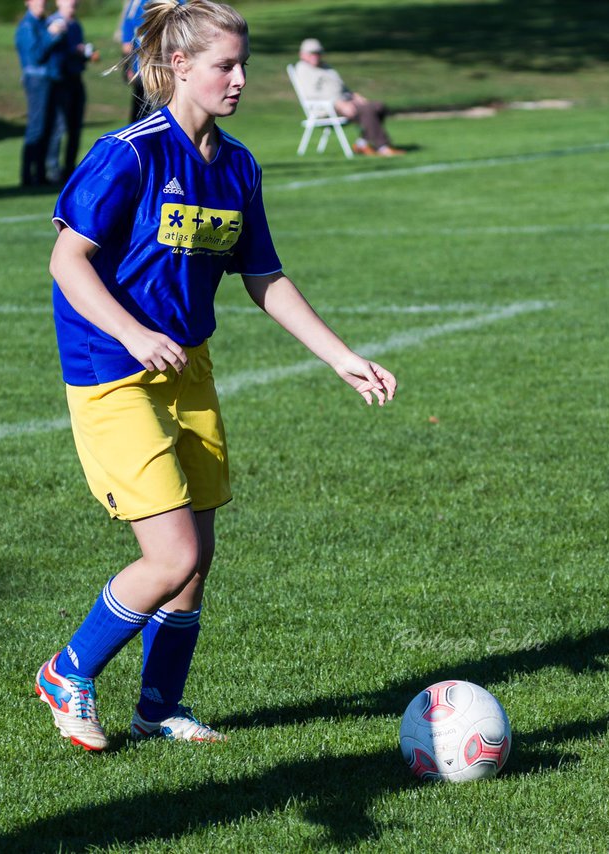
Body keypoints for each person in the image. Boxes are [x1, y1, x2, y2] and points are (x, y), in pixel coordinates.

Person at [36, 0, 396, 751]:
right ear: (176, 68)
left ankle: (158, 708)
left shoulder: (236, 165)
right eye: (223, 66)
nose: (238, 80)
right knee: (172, 557)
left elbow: (263, 275)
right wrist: (133, 334)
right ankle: (66, 671)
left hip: (189, 368)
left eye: (243, 65)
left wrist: (342, 356)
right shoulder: (129, 154)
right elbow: (67, 260)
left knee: (196, 563)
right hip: (113, 371)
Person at [293, 38, 402, 157]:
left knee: (378, 106)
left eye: (318, 53)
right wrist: (337, 103)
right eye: (312, 53)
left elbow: (341, 87)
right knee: (367, 110)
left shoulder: (326, 67)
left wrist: (354, 95)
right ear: (302, 54)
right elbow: (310, 95)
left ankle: (362, 144)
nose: (316, 56)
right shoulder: (303, 69)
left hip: (345, 102)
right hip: (326, 109)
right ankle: (383, 147)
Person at [15, 0, 66, 187]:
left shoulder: (43, 23)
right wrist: (51, 35)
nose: (42, 3)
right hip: (37, 82)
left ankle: (41, 174)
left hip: (50, 80)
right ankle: (28, 176)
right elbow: (36, 56)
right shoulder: (27, 26)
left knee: (50, 127)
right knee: (36, 128)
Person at [44, 0, 96, 184]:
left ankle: (69, 168)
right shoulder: (54, 22)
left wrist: (85, 54)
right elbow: (51, 52)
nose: (73, 2)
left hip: (76, 78)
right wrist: (74, 50)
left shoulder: (76, 24)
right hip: (61, 80)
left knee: (75, 127)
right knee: (59, 126)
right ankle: (52, 169)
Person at [116, 0, 151, 121]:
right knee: (141, 116)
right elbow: (127, 39)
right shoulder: (137, 3)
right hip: (143, 71)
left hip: (167, 71)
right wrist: (127, 66)